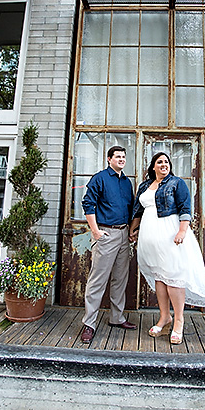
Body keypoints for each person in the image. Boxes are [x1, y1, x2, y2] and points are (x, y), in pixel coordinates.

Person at [129, 152, 205, 345]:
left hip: (171, 234)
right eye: (159, 162)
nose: (163, 165)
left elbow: (185, 208)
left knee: (174, 277)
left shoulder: (177, 183)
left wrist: (182, 231)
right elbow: (138, 210)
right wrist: (133, 229)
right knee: (159, 277)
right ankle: (164, 317)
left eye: (166, 162)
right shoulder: (144, 185)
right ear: (153, 166)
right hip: (150, 237)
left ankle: (178, 321)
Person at [80, 145, 136, 343]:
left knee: (120, 279)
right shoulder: (100, 178)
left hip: (123, 235)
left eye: (123, 157)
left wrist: (130, 231)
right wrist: (95, 231)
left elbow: (130, 208)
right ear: (109, 159)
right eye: (117, 156)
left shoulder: (127, 182)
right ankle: (89, 323)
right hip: (106, 233)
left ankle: (116, 317)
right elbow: (88, 203)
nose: (121, 159)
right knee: (98, 280)